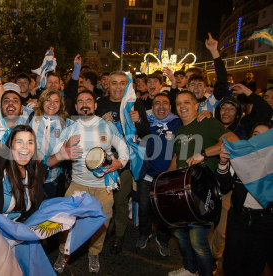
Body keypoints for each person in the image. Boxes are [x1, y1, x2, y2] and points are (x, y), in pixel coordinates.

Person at [51, 90, 129, 273]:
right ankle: (64, 252)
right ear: (77, 106)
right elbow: (56, 152)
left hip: (103, 187)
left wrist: (120, 163)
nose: (84, 104)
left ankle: (94, 253)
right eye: (80, 102)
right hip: (77, 183)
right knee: (66, 221)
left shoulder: (108, 126)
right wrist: (66, 146)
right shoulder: (70, 129)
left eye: (89, 101)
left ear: (95, 105)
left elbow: (123, 149)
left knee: (102, 223)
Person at [167, 91, 239, 276]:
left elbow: (233, 141)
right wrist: (165, 181)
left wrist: (204, 154)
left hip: (203, 191)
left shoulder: (207, 123)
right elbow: (176, 158)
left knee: (198, 240)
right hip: (183, 192)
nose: (182, 106)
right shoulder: (179, 131)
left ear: (196, 105)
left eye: (186, 102)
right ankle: (191, 270)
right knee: (181, 234)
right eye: (178, 103)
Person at [96, 71, 150, 255]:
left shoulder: (133, 103)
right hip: (103, 161)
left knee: (120, 201)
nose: (118, 87)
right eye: (114, 83)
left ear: (127, 85)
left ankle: (119, 235)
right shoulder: (100, 103)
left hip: (125, 162)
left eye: (122, 83)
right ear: (107, 85)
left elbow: (144, 134)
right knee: (103, 201)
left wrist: (139, 120)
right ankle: (104, 231)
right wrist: (100, 123)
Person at [215, 122, 273, 276]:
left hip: (264, 220)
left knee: (255, 263)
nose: (259, 137)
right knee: (231, 261)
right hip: (238, 216)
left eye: (264, 135)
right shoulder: (242, 158)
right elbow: (224, 185)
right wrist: (222, 163)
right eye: (255, 134)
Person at [136, 93, 181, 256]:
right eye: (157, 104)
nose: (161, 107)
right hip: (147, 176)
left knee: (166, 211)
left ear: (170, 107)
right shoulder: (146, 124)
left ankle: (163, 239)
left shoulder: (178, 123)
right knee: (144, 208)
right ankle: (144, 233)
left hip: (167, 178)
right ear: (152, 107)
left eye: (165, 103)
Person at [28, 89, 73, 198]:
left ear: (60, 104)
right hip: (30, 175)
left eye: (56, 101)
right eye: (48, 100)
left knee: (48, 209)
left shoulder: (67, 124)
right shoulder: (30, 118)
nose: (52, 104)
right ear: (42, 102)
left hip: (52, 177)